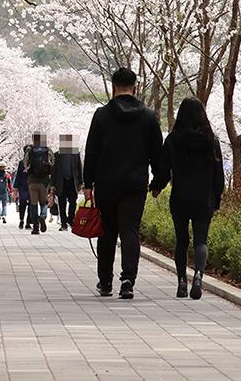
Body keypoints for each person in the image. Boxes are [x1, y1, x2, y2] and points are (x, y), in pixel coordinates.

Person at [84, 66, 163, 300]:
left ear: (112, 86)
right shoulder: (148, 116)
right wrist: (158, 180)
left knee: (106, 232)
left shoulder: (101, 115)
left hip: (106, 183)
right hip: (135, 183)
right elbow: (156, 152)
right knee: (130, 231)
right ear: (135, 87)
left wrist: (88, 185)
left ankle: (105, 281)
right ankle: (128, 281)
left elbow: (92, 151)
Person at [150, 97, 224, 300]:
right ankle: (199, 276)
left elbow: (164, 169)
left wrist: (156, 187)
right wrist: (217, 196)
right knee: (201, 240)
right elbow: (218, 174)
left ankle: (182, 281)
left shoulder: (173, 140)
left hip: (180, 197)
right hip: (204, 198)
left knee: (181, 240)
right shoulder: (211, 140)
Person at [24, 132, 54, 235]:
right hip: (44, 181)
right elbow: (52, 163)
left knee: (33, 203)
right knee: (43, 202)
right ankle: (43, 215)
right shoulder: (48, 150)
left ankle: (35, 227)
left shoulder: (30, 150)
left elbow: (25, 163)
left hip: (32, 181)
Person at [52, 133, 83, 231]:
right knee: (62, 203)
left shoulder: (75, 154)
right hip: (61, 182)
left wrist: (81, 182)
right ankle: (64, 223)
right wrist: (52, 184)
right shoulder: (57, 155)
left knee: (73, 202)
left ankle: (71, 219)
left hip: (72, 181)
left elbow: (79, 168)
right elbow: (54, 170)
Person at [13, 153, 30, 229]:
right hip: (31, 185)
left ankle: (22, 220)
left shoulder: (22, 162)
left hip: (22, 185)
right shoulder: (33, 162)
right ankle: (28, 222)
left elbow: (18, 175)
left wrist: (16, 187)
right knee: (31, 204)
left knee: (22, 204)